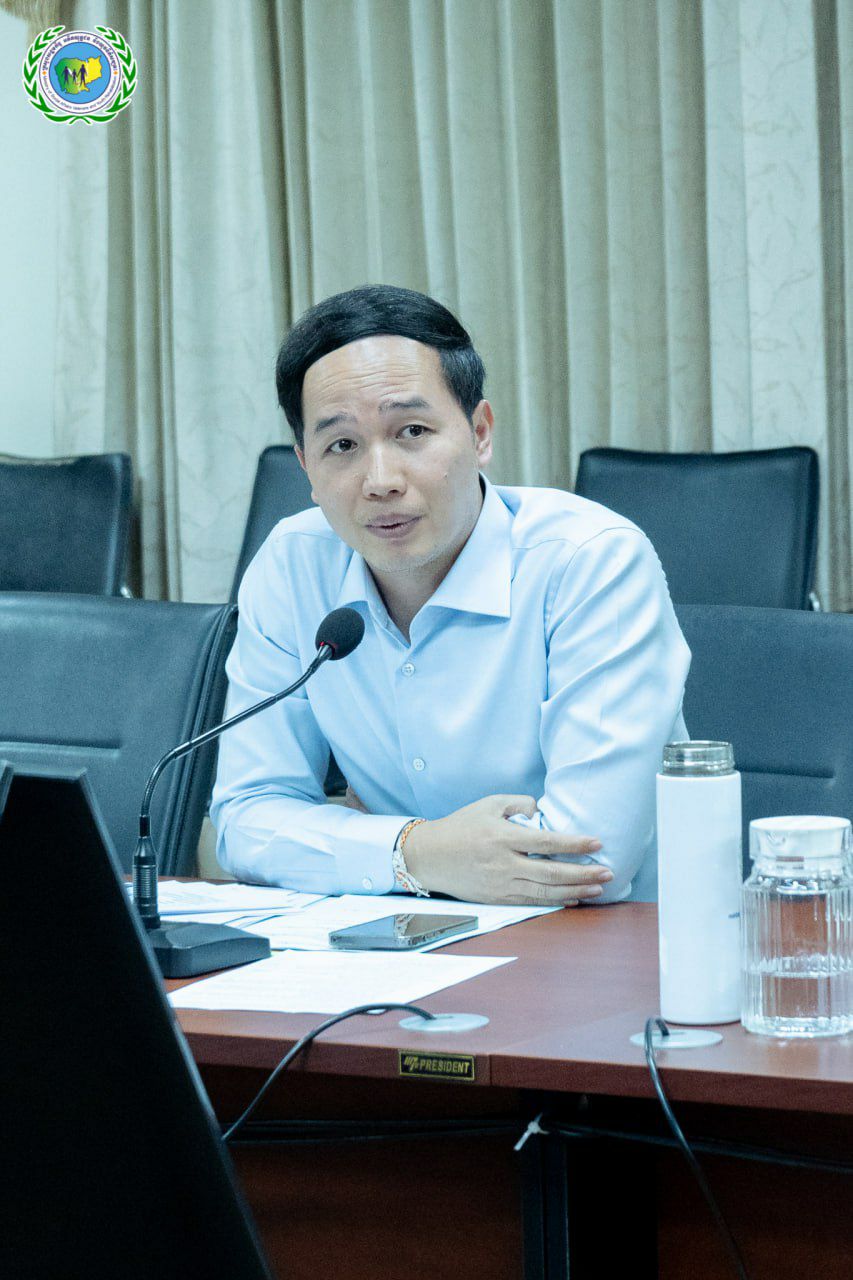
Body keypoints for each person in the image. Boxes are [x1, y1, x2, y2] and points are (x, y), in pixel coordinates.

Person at [211, 285, 690, 905]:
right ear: (306, 466)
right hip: (396, 944)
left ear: (480, 433)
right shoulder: (293, 565)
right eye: (342, 446)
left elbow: (587, 859)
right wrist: (413, 851)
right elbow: (246, 818)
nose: (381, 481)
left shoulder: (589, 561)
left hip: (607, 944)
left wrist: (355, 846)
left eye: (412, 431)